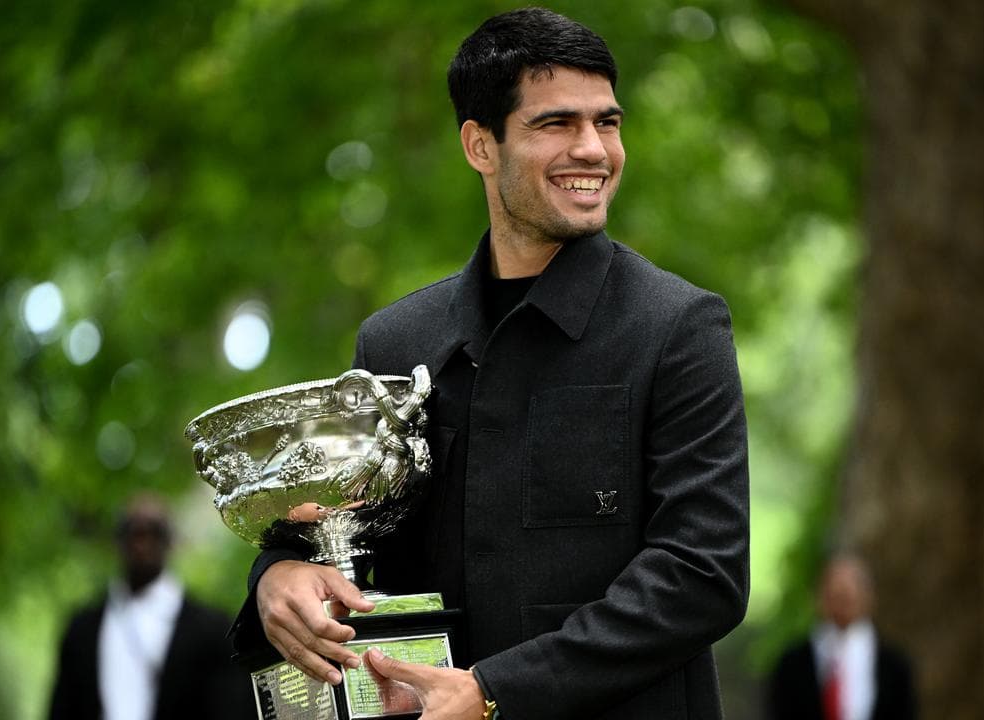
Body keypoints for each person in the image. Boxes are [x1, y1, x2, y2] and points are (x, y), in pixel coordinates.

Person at [231, 8, 750, 719]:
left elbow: (702, 574)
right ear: (480, 145)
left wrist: (495, 692)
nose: (593, 150)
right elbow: (331, 532)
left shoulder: (679, 327)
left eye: (607, 122)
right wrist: (277, 575)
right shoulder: (395, 342)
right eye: (556, 123)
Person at [48, 493, 255, 720]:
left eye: (154, 532)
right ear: (117, 542)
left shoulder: (212, 629)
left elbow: (231, 706)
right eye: (132, 532)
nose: (142, 544)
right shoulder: (82, 630)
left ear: (170, 542)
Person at [766, 552, 917, 720]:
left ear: (869, 597)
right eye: (835, 594)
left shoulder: (895, 667)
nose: (842, 602)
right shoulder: (792, 665)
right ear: (819, 596)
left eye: (848, 595)